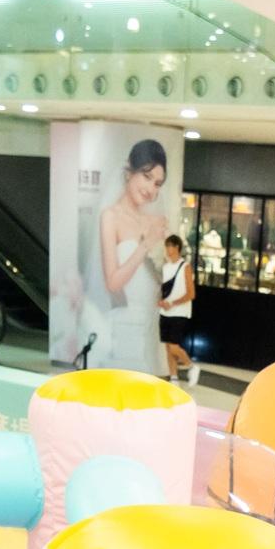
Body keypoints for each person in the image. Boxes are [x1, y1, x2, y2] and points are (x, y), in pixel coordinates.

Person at [89, 137, 171, 372]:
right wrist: (145, 245)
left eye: (157, 183)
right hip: (124, 321)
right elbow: (113, 283)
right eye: (147, 176)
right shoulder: (110, 216)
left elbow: (162, 278)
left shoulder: (156, 221)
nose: (151, 189)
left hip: (152, 321)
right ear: (129, 173)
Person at [157, 233, 195, 381]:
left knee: (174, 346)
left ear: (177, 247)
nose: (167, 249)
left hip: (179, 312)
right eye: (166, 246)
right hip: (165, 312)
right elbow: (164, 290)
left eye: (170, 246)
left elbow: (191, 293)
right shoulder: (166, 267)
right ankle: (174, 378)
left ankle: (191, 366)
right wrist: (162, 302)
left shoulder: (185, 266)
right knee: (168, 347)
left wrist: (172, 303)